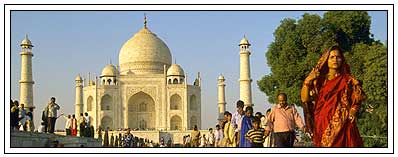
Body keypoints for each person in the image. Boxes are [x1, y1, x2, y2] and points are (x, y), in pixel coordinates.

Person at [301, 45, 365, 147]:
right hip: (322, 122)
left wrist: (353, 110)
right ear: (326, 60)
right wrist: (308, 80)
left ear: (342, 59)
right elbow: (305, 99)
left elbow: (357, 99)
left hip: (343, 123)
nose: (335, 59)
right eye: (332, 57)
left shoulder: (348, 79)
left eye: (338, 57)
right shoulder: (319, 80)